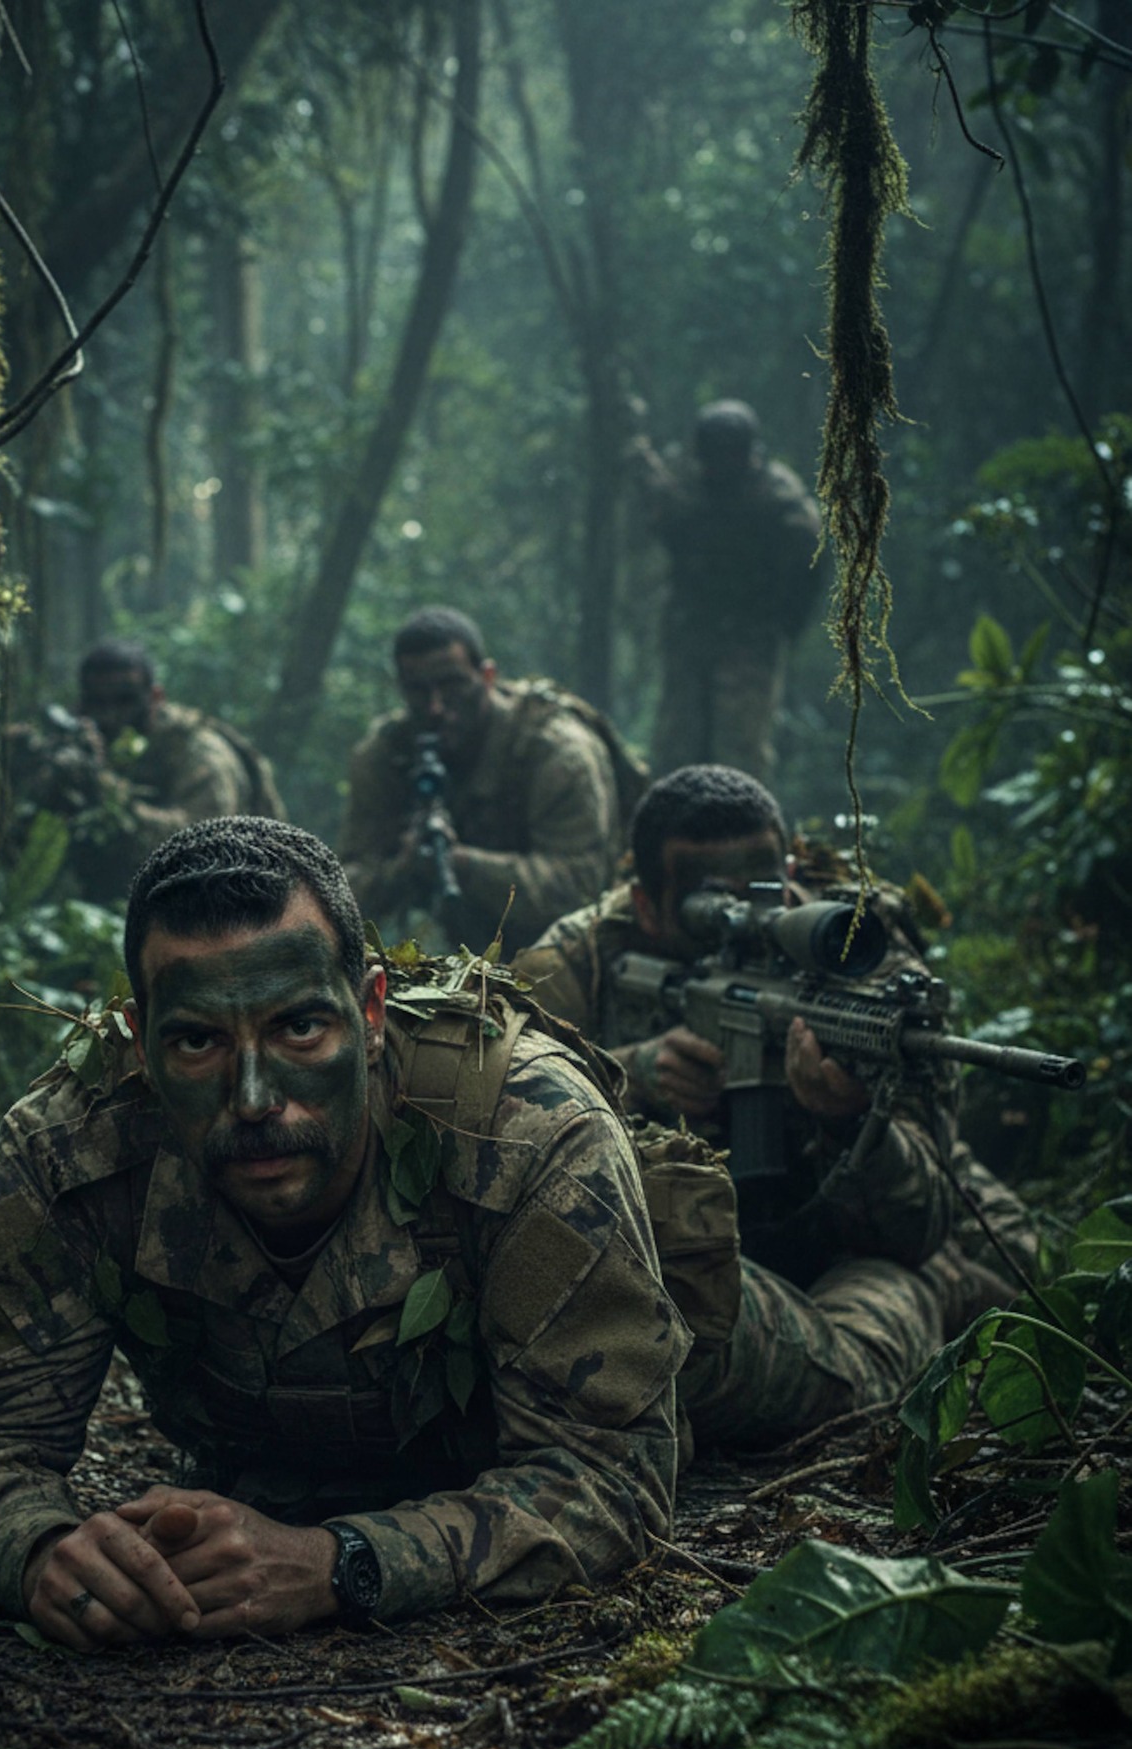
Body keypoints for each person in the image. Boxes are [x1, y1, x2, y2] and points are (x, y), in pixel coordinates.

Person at [0, 818, 692, 1647]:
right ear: (140, 1045)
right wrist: (41, 1552)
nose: (252, 1099)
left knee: (832, 1359)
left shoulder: (526, 1132)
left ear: (371, 1012)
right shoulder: (71, 1153)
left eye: (298, 1029)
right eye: (199, 1041)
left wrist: (340, 1564)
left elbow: (612, 1478)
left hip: (663, 1323)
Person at [513, 764, 1039, 1436]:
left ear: (788, 870)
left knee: (1032, 1285)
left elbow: (916, 1226)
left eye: (761, 890)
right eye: (708, 905)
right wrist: (629, 1076)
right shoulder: (575, 960)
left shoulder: (856, 952)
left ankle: (949, 1299)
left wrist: (848, 1117)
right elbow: (502, 1126)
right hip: (694, 1244)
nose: (742, 920)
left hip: (861, 1220)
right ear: (644, 904)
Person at [338, 606, 637, 958]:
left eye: (452, 685)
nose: (435, 707)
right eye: (418, 690)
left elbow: (580, 890)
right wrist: (401, 869)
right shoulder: (385, 756)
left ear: (488, 676)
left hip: (564, 963)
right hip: (453, 954)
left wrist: (463, 864)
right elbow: (344, 892)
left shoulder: (557, 752)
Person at [8, 642, 285, 903]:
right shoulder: (87, 744)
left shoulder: (199, 752)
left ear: (155, 697)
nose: (110, 715)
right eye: (97, 702)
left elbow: (203, 848)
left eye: (125, 700)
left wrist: (103, 788)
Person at [633, 401, 822, 783]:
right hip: (691, 631)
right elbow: (666, 517)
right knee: (677, 746)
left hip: (749, 638)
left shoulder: (776, 498)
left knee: (740, 751)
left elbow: (808, 562)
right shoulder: (689, 483)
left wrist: (784, 623)